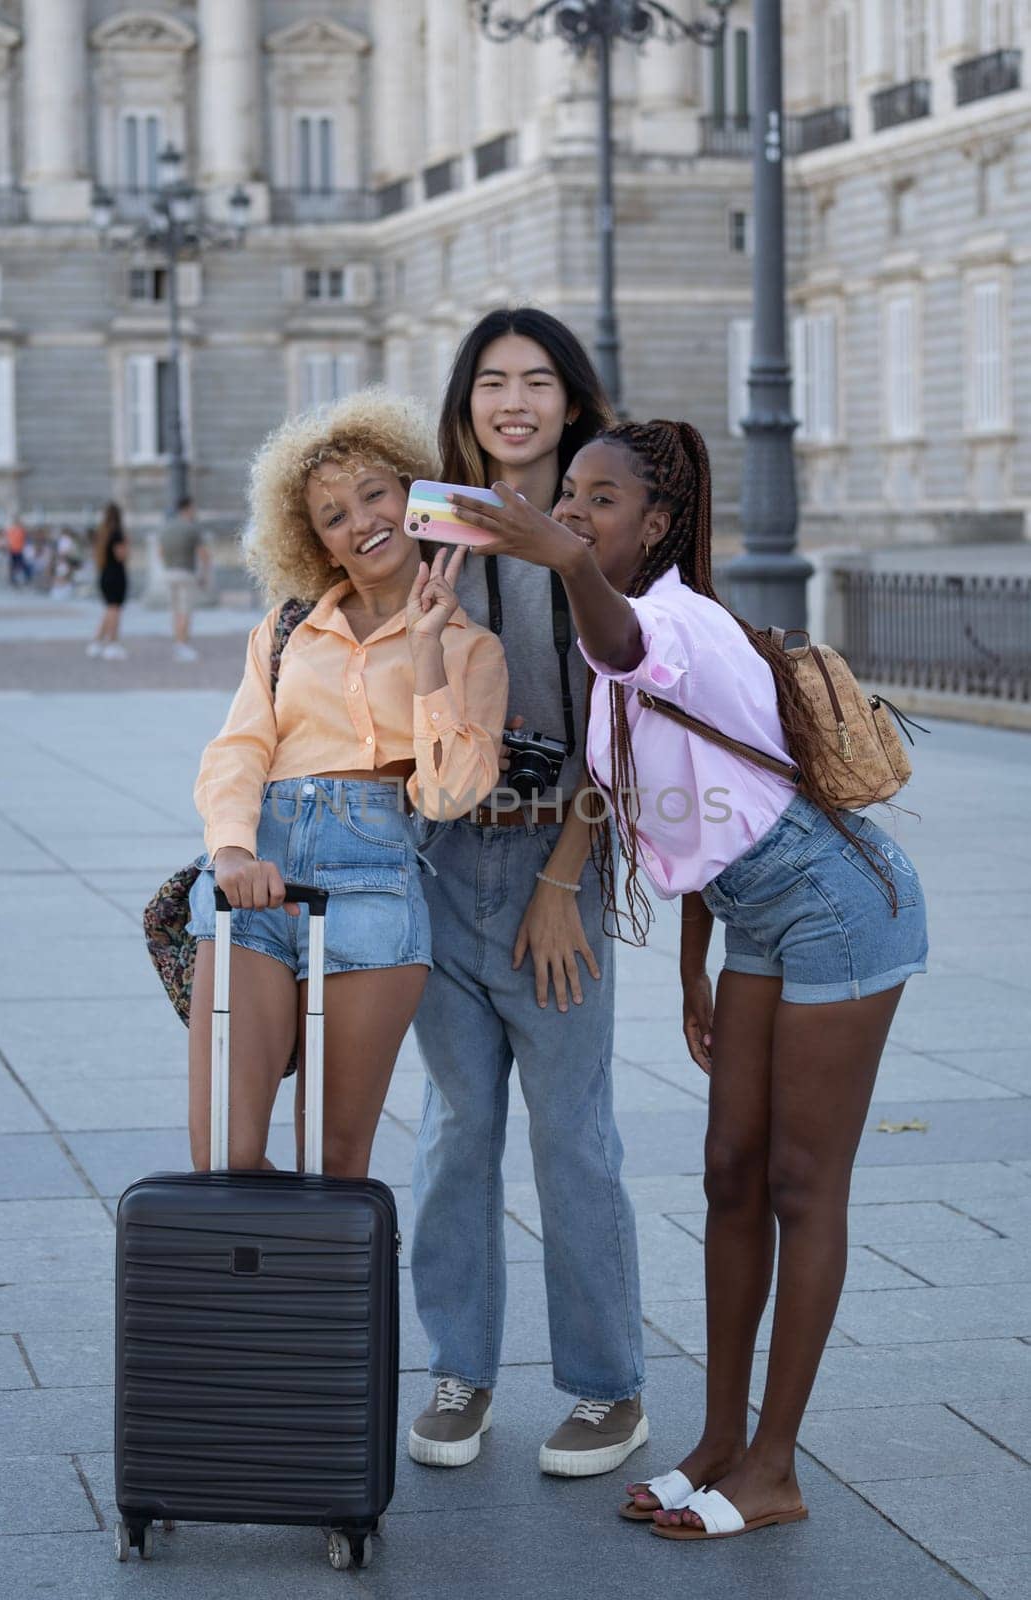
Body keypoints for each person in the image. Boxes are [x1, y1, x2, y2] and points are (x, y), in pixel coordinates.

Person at [449, 418, 929, 1541]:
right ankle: (718, 1437)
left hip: (836, 904)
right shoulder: (620, 633)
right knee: (727, 1174)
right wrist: (690, 966)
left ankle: (773, 1465)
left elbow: (619, 648)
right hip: (758, 916)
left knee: (800, 1186)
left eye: (600, 500)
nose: (572, 512)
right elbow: (684, 811)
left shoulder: (666, 623)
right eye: (567, 494)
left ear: (656, 525)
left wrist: (557, 557)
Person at [408, 308, 648, 1480]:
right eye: (493, 381)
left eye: (537, 381)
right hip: (438, 859)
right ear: (465, 403)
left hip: (559, 856)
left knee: (570, 1133)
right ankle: (461, 1368)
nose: (515, 400)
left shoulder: (597, 533)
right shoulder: (429, 529)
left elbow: (628, 720)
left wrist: (564, 879)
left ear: (570, 399)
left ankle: (607, 1389)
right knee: (454, 1130)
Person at [185, 390, 507, 1178]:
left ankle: (318, 1304)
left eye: (374, 494)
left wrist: (427, 650)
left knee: (336, 1160)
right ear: (318, 543)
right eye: (333, 515)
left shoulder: (473, 651)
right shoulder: (288, 630)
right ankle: (233, 1302)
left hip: (375, 882)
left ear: (410, 498)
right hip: (255, 866)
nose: (361, 520)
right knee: (224, 1152)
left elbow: (447, 795)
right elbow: (238, 747)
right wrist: (228, 850)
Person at [159, 495, 211, 662]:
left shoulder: (167, 527)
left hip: (169, 572)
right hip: (186, 573)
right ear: (188, 508)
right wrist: (203, 575)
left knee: (175, 612)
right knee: (185, 612)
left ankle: (177, 642)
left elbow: (160, 552)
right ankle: (182, 645)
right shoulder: (192, 528)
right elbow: (204, 555)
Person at [88, 504, 130, 659]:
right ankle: (112, 643)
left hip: (104, 573)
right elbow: (121, 555)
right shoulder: (116, 533)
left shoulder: (102, 533)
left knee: (109, 610)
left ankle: (97, 642)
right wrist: (127, 545)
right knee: (115, 611)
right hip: (116, 574)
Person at [5, 517, 29, 586]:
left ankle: (18, 578)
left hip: (19, 550)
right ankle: (13, 579)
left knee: (19, 565)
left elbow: (24, 539)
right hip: (14, 550)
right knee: (14, 565)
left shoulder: (21, 530)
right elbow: (9, 540)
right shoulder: (12, 530)